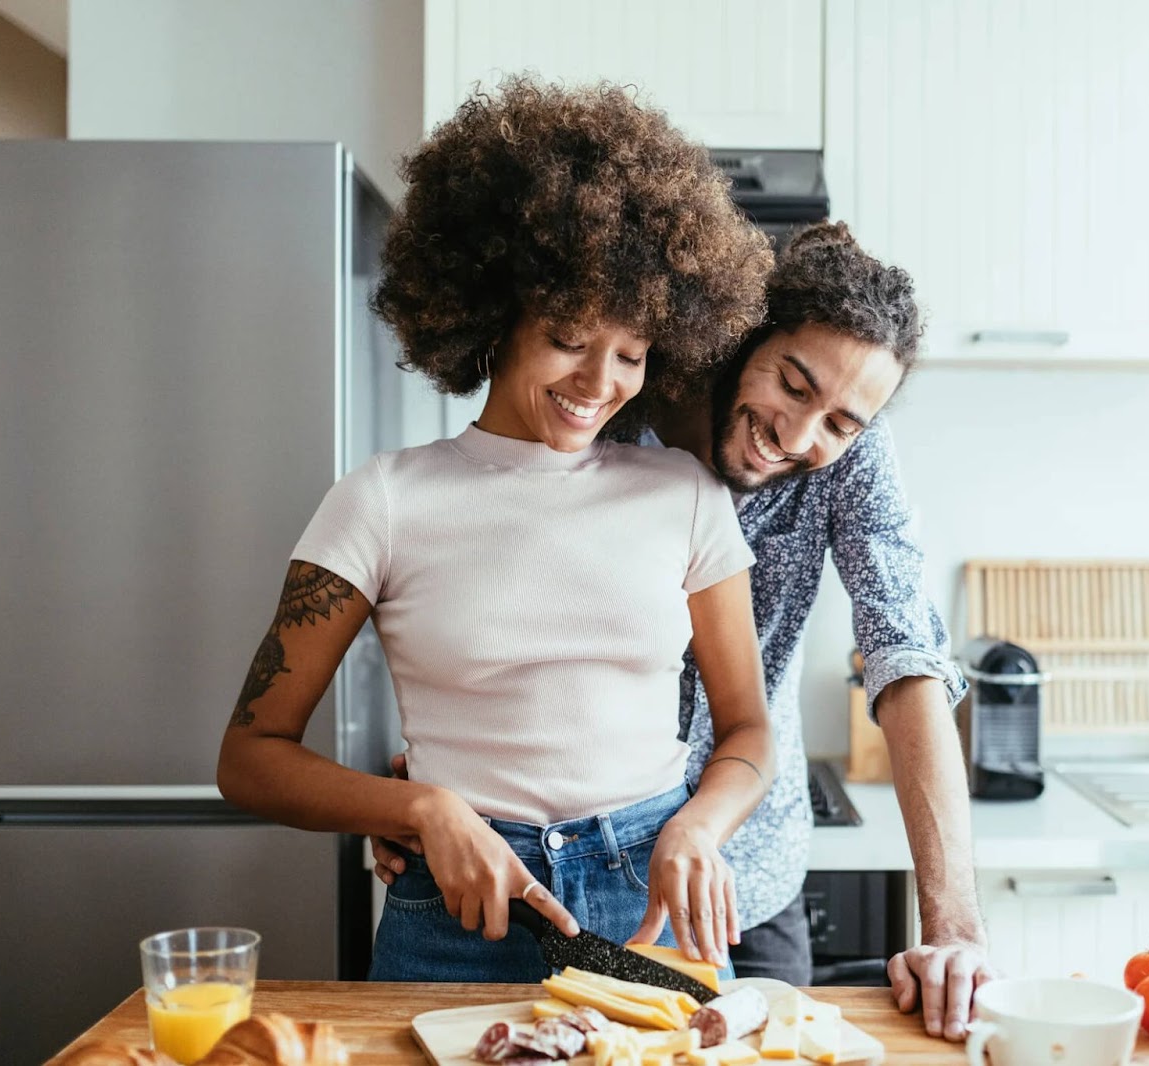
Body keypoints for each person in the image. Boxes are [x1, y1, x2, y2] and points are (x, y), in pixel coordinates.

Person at [217, 75, 777, 983]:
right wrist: (420, 812)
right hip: (455, 909)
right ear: (495, 314)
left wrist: (698, 826)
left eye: (631, 353)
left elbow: (748, 727)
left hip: (649, 904)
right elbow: (250, 758)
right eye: (568, 336)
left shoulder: (685, 495)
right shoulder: (383, 501)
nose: (600, 381)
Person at [377, 223, 996, 1038]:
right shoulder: (605, 407)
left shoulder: (850, 452)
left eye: (842, 422)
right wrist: (435, 780)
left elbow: (905, 650)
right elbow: (480, 591)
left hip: (738, 880)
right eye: (792, 384)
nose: (802, 436)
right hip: (540, 874)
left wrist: (952, 927)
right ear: (746, 335)